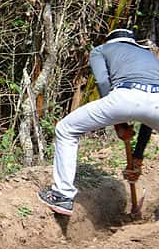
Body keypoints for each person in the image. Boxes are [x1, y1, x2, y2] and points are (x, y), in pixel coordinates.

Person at [38, 28, 159, 216]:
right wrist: (138, 155)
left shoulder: (100, 50)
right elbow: (148, 112)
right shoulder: (148, 54)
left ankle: (62, 195)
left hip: (124, 95)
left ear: (109, 40)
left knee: (66, 129)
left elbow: (103, 82)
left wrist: (118, 123)